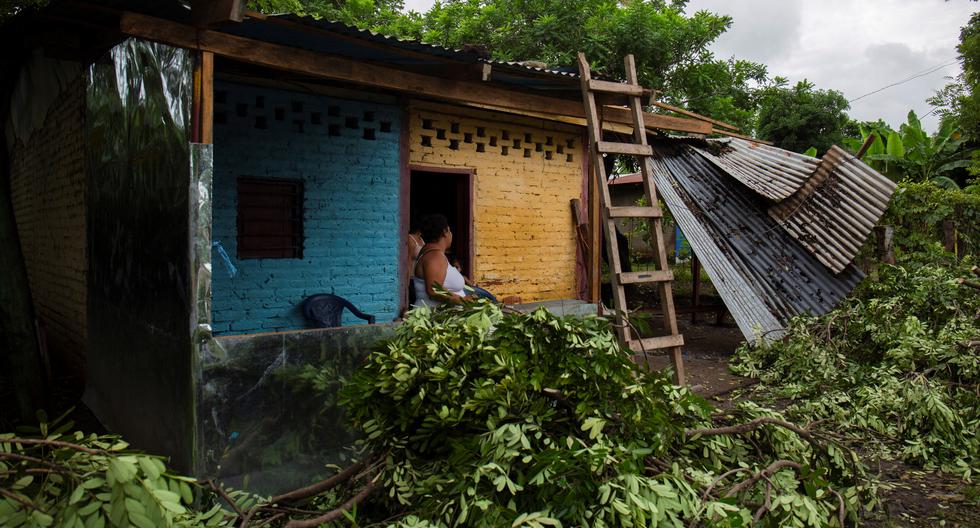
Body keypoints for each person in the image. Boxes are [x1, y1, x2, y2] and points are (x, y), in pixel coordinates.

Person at [413, 214, 467, 306]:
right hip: (434, 315)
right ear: (445, 232)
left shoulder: (432, 252)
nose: (451, 234)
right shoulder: (434, 256)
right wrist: (463, 300)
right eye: (450, 231)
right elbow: (434, 290)